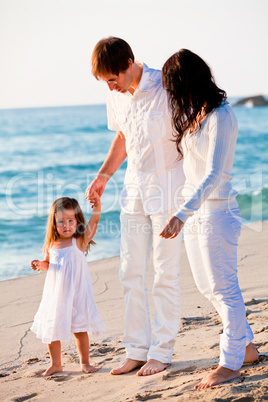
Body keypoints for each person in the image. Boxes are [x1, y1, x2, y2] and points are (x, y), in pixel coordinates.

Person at [85, 37, 185, 376]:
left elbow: (190, 131)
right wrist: (103, 176)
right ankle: (136, 350)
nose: (111, 87)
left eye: (114, 79)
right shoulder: (115, 95)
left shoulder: (166, 86)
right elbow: (124, 137)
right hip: (133, 191)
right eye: (105, 83)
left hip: (168, 193)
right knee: (130, 271)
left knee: (164, 273)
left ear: (129, 63)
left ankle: (162, 351)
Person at [160, 49, 259, 389]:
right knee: (206, 286)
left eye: (173, 87)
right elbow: (191, 171)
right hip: (196, 213)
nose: (173, 96)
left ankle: (230, 364)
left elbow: (215, 173)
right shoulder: (195, 115)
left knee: (224, 288)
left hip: (217, 213)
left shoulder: (222, 115)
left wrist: (180, 214)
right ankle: (245, 347)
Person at [30, 196, 105, 376]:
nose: (66, 225)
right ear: (53, 223)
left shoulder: (79, 241)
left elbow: (94, 220)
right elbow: (49, 264)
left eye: (71, 220)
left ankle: (85, 362)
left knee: (80, 330)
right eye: (61, 222)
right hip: (56, 294)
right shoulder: (51, 244)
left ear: (78, 221)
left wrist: (97, 206)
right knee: (52, 329)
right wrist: (40, 264)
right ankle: (56, 364)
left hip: (77, 293)